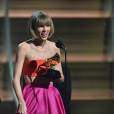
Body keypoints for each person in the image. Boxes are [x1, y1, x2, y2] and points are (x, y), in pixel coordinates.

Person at [12, 11, 66, 114]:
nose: (45, 30)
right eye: (41, 26)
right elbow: (15, 79)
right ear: (33, 28)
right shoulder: (24, 47)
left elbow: (61, 78)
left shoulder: (55, 47)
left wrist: (54, 74)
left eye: (48, 26)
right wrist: (21, 102)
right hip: (32, 94)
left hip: (51, 96)